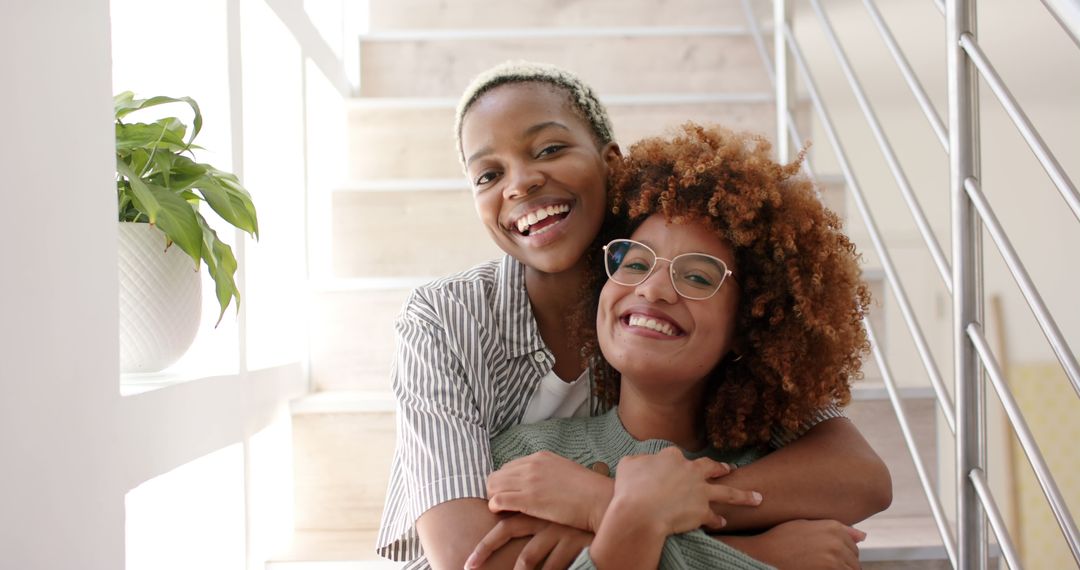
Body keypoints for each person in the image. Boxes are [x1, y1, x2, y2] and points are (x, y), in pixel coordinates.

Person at [376, 61, 891, 570]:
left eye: (550, 148)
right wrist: (714, 540)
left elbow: (858, 473)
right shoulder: (443, 321)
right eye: (488, 174)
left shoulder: (661, 268)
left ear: (611, 162)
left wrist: (619, 504)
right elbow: (471, 558)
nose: (520, 183)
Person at [469, 122, 876, 569]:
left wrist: (615, 511)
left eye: (697, 276)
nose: (654, 289)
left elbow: (869, 479)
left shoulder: (790, 476)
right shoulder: (527, 463)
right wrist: (643, 514)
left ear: (748, 325)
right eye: (635, 262)